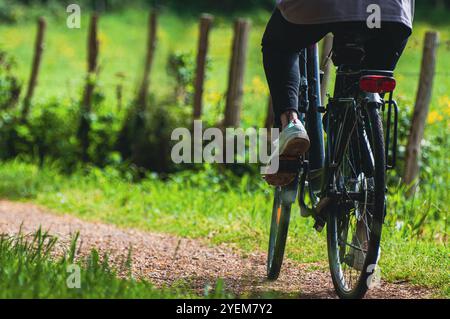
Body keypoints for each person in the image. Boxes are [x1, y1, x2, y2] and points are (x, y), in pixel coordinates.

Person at [262, 0, 414, 185]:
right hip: (392, 13)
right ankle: (359, 132)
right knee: (363, 94)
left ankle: (291, 124)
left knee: (278, 45)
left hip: (330, 6)